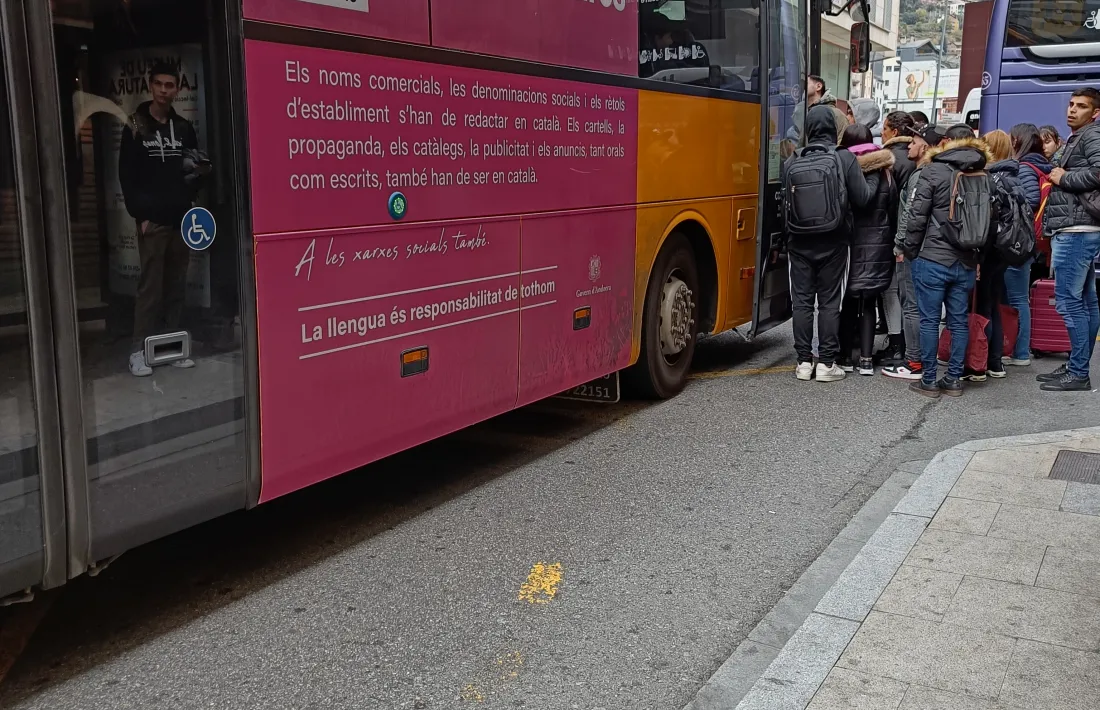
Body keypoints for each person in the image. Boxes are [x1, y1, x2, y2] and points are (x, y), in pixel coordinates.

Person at [119, 62, 208, 377]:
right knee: (151, 288)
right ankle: (136, 351)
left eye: (170, 85)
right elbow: (126, 176)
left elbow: (193, 169)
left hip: (181, 220)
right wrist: (141, 216)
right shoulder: (135, 125)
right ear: (151, 86)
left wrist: (195, 177)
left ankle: (170, 347)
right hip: (152, 221)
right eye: (159, 84)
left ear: (177, 89)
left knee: (175, 285)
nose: (165, 90)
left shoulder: (183, 128)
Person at [786, 104, 881, 382]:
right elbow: (862, 198)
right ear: (833, 128)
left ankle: (804, 362)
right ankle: (827, 363)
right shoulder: (843, 158)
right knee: (829, 302)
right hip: (835, 241)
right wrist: (874, 174)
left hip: (799, 242)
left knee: (801, 303)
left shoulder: (793, 160)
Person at [901, 124, 995, 397]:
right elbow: (990, 222)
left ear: (946, 144)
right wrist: (978, 257)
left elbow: (915, 218)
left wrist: (909, 250)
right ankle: (954, 379)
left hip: (931, 258)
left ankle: (929, 379)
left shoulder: (933, 171)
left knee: (929, 320)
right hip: (966, 260)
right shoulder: (983, 174)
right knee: (958, 321)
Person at [1040, 87, 1100, 391]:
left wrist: (1064, 178)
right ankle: (1078, 365)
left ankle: (1078, 372)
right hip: (1078, 228)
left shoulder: (1092, 135)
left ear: (1095, 112)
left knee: (1068, 302)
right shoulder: (1082, 136)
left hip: (1077, 230)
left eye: (1081, 106)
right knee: (1086, 301)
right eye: (1071, 104)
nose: (1072, 110)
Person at [882, 123, 945, 380]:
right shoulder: (942, 172)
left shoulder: (921, 175)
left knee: (911, 306)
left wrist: (901, 246)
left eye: (915, 141)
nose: (909, 145)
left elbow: (909, 216)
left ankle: (914, 362)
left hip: (914, 250)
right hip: (934, 250)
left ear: (926, 146)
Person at [837, 124, 898, 374]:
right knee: (870, 301)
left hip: (850, 244)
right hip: (879, 245)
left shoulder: (843, 169)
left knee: (848, 301)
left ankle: (843, 357)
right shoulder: (886, 172)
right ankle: (865, 360)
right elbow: (893, 210)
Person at [967, 129, 1019, 382]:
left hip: (988, 248)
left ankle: (980, 360)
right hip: (1006, 248)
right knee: (995, 304)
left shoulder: (991, 179)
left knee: (982, 305)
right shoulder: (1014, 176)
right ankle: (996, 361)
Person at [1004, 123, 1051, 366]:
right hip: (1032, 240)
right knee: (1019, 296)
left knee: (1017, 297)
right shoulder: (1044, 165)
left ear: (1018, 141)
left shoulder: (1024, 168)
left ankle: (1020, 351)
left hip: (1020, 240)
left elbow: (1031, 199)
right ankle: (1018, 349)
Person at [878, 111, 917, 366]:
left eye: (884, 128)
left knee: (892, 290)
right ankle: (906, 343)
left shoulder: (889, 160)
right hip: (914, 235)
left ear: (893, 131)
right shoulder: (916, 158)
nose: (881, 132)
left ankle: (896, 343)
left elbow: (888, 202)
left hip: (893, 233)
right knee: (909, 292)